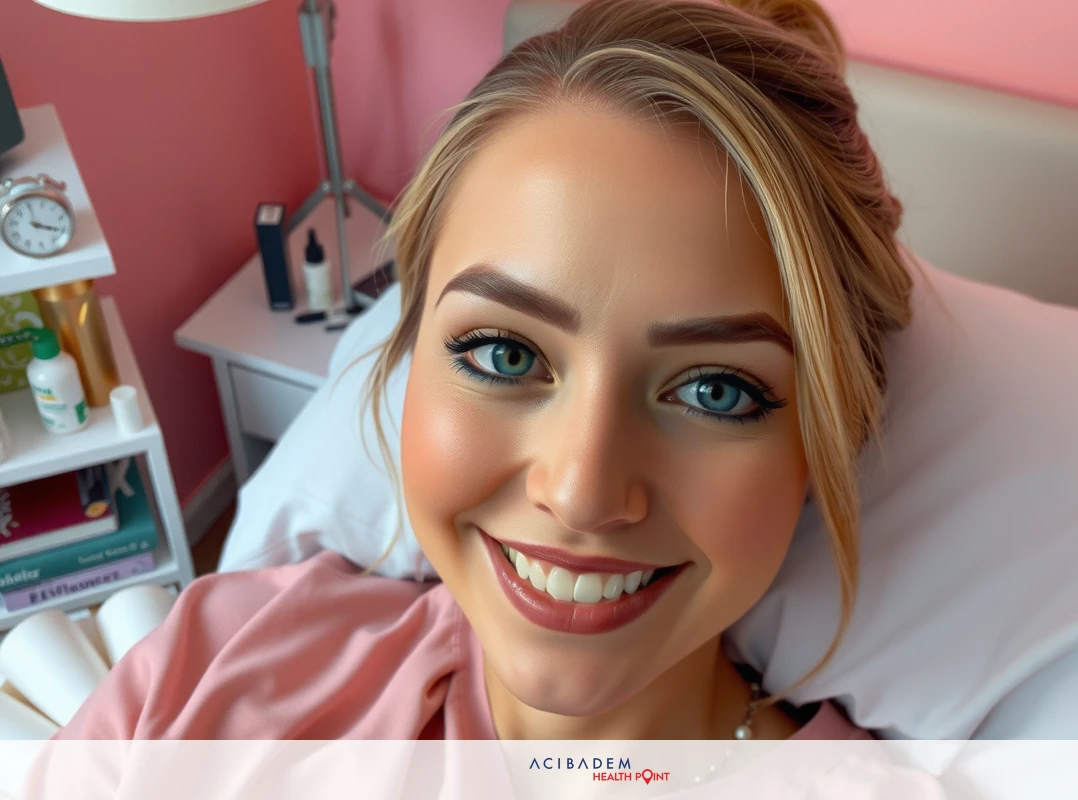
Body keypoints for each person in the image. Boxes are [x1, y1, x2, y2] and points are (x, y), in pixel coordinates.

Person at [55, 0, 914, 742]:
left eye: (713, 391)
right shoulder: (209, 668)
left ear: (827, 436)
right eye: (505, 355)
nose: (581, 492)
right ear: (410, 360)